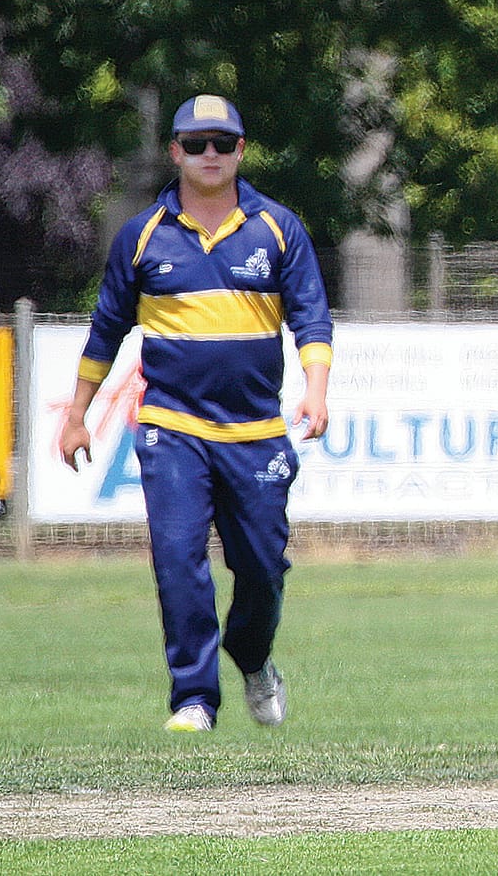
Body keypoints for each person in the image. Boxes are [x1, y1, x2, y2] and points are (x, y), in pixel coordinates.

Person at [57, 95, 332, 733]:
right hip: (172, 429)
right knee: (178, 558)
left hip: (257, 434)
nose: (211, 155)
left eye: (224, 143)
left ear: (241, 151)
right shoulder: (142, 236)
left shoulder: (279, 230)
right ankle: (194, 700)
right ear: (175, 151)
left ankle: (254, 657)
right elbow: (105, 334)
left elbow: (312, 320)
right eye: (197, 143)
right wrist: (77, 416)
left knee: (262, 569)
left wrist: (316, 391)